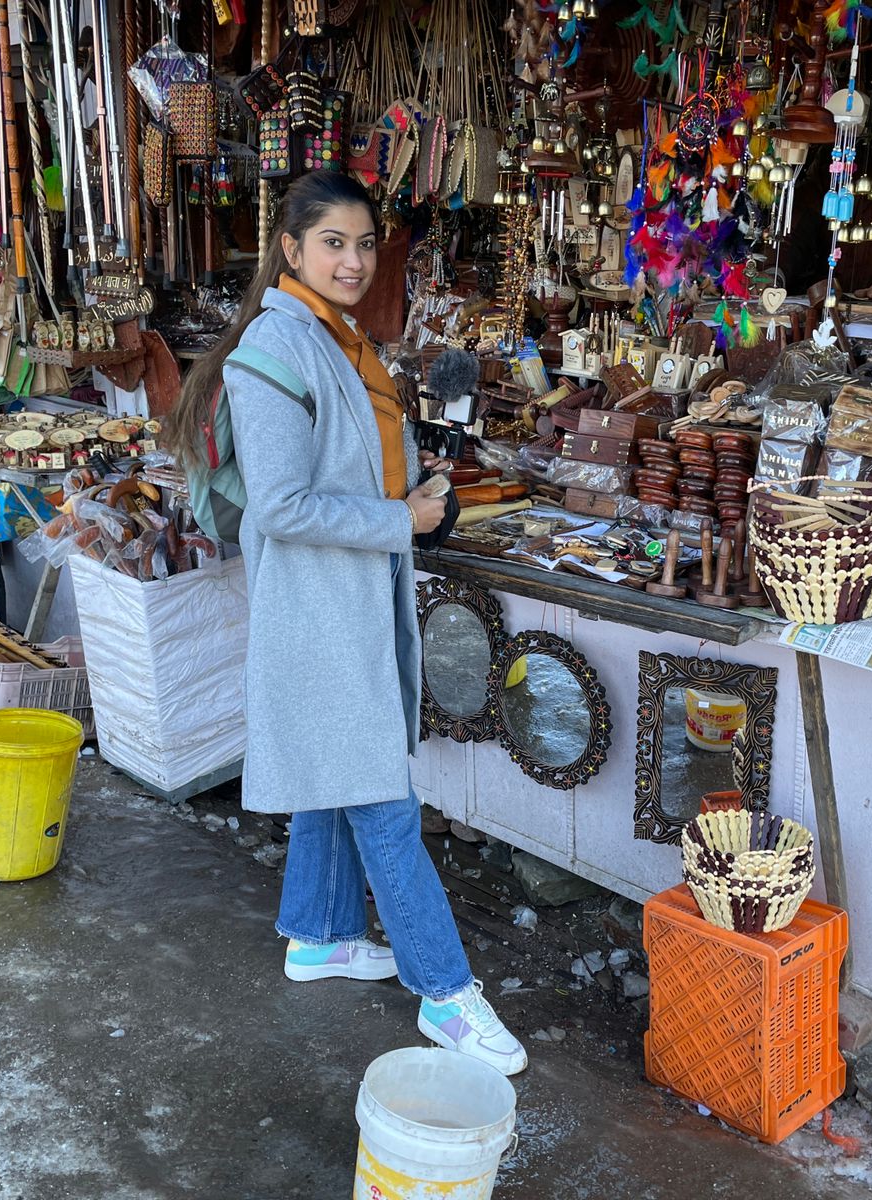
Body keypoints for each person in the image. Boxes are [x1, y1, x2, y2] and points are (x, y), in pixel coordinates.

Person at [163, 170, 527, 1076]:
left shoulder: (340, 340)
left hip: (355, 596)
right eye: (335, 243)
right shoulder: (272, 352)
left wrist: (412, 496)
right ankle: (445, 994)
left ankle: (318, 937)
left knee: (334, 769)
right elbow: (281, 506)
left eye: (365, 244)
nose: (354, 260)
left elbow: (347, 471)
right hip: (318, 608)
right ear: (291, 251)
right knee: (379, 797)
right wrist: (401, 521)